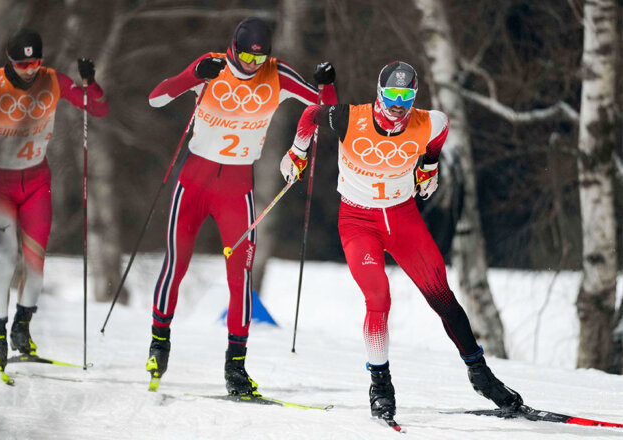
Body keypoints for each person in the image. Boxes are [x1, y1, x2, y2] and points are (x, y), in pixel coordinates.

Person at [279, 61, 523, 419]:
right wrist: (297, 153)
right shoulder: (350, 118)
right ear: (379, 93)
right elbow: (312, 114)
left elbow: (437, 139)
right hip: (358, 221)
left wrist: (428, 167)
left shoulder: (431, 122)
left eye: (406, 96)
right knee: (378, 298)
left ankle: (481, 375)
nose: (398, 104)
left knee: (442, 296)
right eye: (391, 95)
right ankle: (381, 386)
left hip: (402, 218)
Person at [145, 17, 338, 395]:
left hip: (237, 189)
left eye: (260, 57)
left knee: (240, 278)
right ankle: (159, 344)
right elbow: (156, 97)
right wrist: (193, 77)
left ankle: (235, 368)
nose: (252, 65)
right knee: (176, 264)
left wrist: (327, 84)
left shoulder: (277, 73)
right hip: (194, 183)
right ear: (233, 48)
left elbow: (325, 110)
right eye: (247, 58)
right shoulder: (212, 64)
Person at [0, 28, 109, 375]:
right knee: (6, 263)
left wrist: (90, 83)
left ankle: (21, 331)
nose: (28, 69)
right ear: (9, 59)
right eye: (21, 62)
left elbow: (97, 109)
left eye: (35, 61)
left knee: (36, 269)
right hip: (0, 185)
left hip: (37, 182)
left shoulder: (53, 80)